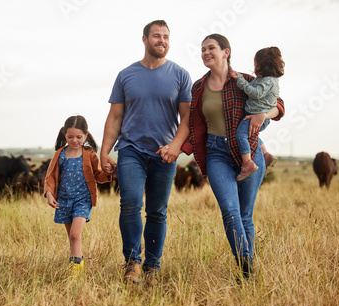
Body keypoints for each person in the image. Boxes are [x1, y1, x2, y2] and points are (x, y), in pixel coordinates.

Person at [181, 34, 285, 280]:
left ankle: (247, 276)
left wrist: (263, 115)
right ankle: (246, 266)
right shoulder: (198, 87)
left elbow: (279, 104)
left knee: (245, 214)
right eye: (203, 48)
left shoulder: (246, 81)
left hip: (248, 151)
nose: (206, 52)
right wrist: (178, 147)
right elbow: (190, 123)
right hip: (216, 152)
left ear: (225, 52)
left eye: (211, 48)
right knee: (230, 211)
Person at [100, 20, 192, 286]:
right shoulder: (126, 75)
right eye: (156, 36)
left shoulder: (180, 74)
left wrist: (175, 146)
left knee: (157, 212)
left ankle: (152, 267)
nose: (161, 40)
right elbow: (115, 116)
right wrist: (105, 153)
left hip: (165, 153)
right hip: (131, 150)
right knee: (130, 203)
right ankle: (131, 263)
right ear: (144, 39)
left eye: (165, 37)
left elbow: (187, 118)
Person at [43, 115, 111, 278]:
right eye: (70, 137)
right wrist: (49, 194)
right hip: (64, 200)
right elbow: (50, 177)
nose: (74, 140)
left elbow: (99, 176)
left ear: (86, 135)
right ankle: (76, 268)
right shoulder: (59, 154)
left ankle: (76, 274)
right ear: (64, 135)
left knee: (75, 235)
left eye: (79, 137)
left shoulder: (89, 154)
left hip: (83, 200)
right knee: (72, 238)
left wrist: (108, 172)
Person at [231, 46, 285, 181]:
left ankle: (247, 163)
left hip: (256, 116)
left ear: (262, 65)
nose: (254, 67)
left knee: (241, 135)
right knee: (251, 135)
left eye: (255, 64)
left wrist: (240, 80)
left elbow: (255, 93)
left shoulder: (267, 81)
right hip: (256, 115)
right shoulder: (265, 80)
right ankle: (266, 154)